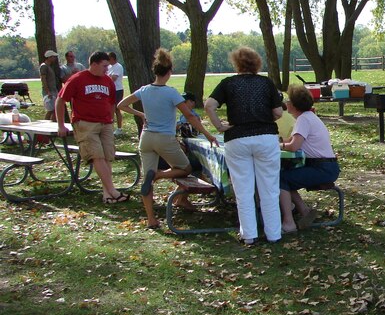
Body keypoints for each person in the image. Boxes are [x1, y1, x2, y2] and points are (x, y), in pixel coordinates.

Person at [118, 50, 217, 228]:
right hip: (165, 138)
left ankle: (151, 220)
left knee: (146, 181)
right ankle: (158, 175)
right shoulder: (171, 93)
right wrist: (208, 134)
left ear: (155, 72)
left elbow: (121, 105)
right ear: (169, 72)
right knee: (186, 168)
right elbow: (190, 116)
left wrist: (140, 113)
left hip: (146, 138)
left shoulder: (144, 90)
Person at [204, 47, 284, 245]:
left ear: (236, 64)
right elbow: (279, 113)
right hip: (265, 137)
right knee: (269, 189)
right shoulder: (266, 83)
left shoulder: (227, 84)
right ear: (256, 63)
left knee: (243, 190)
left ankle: (249, 235)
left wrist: (219, 126)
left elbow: (209, 105)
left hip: (237, 138)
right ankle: (274, 234)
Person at [56, 51, 130, 204]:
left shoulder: (107, 81)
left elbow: (111, 103)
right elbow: (60, 100)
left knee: (107, 157)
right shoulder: (77, 79)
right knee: (97, 156)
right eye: (104, 66)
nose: (106, 69)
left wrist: (110, 120)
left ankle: (107, 194)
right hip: (85, 123)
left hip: (105, 123)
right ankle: (113, 191)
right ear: (94, 64)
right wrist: (61, 125)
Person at [278, 84, 340, 233]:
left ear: (293, 104)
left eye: (288, 100)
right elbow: (293, 139)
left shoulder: (303, 120)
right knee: (284, 176)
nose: (286, 103)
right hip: (326, 166)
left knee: (281, 179)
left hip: (322, 168)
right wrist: (277, 141)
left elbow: (293, 146)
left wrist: (277, 146)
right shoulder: (308, 117)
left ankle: (289, 222)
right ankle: (305, 212)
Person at [40, 49, 62, 121]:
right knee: (50, 110)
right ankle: (46, 123)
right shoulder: (44, 66)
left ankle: (53, 123)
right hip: (49, 91)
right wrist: (48, 91)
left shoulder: (49, 66)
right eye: (53, 57)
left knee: (54, 110)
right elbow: (43, 79)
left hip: (53, 90)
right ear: (49, 57)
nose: (55, 58)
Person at [108, 52, 125, 136]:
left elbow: (113, 78)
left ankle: (119, 128)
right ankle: (111, 127)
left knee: (117, 109)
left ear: (112, 58)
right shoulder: (109, 67)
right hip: (110, 90)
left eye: (109, 59)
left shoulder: (118, 66)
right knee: (110, 108)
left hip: (117, 90)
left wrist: (106, 77)